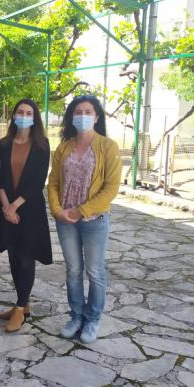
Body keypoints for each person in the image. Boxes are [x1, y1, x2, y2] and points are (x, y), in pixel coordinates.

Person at [48, 94, 121, 344]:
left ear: (96, 117)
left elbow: (111, 188)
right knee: (73, 270)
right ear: (71, 117)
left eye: (88, 112)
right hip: (65, 220)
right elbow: (53, 183)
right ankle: (76, 316)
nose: (83, 116)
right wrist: (57, 210)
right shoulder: (63, 147)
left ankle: (92, 320)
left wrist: (82, 210)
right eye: (78, 112)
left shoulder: (108, 147)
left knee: (95, 271)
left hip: (94, 220)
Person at [0, 99, 52, 332]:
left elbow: (38, 181)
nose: (24, 116)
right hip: (6, 208)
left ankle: (19, 307)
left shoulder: (42, 145)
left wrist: (15, 206)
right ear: (14, 116)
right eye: (20, 112)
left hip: (30, 210)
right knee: (14, 258)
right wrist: (6, 206)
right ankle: (23, 304)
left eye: (29, 113)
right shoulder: (2, 144)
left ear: (35, 118)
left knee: (26, 259)